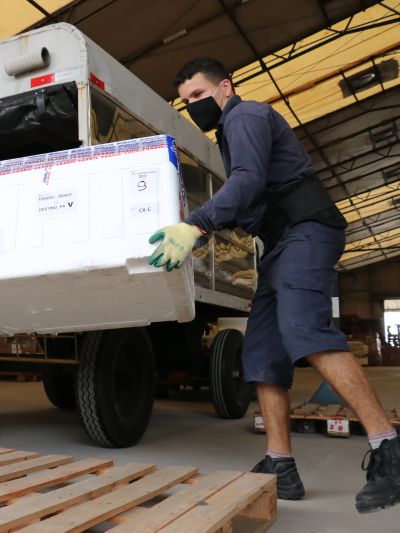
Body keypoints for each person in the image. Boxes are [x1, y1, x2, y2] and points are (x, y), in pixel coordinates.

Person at [149, 57, 400, 512]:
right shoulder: (229, 131)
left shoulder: (245, 115)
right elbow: (248, 198)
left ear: (225, 88)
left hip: (307, 229)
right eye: (186, 103)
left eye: (200, 96)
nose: (194, 107)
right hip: (279, 242)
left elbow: (248, 179)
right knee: (262, 350)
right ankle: (280, 464)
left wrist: (196, 225)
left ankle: (390, 448)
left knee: (303, 329)